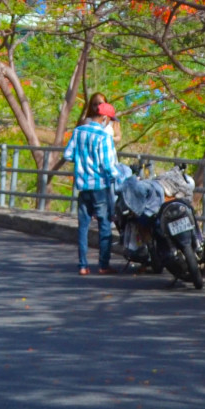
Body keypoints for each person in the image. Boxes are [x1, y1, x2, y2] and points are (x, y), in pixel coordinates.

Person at [63, 93, 119, 275]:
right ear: (104, 117)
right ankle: (103, 265)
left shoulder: (78, 131)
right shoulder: (104, 136)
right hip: (100, 187)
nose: (108, 123)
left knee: (83, 227)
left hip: (82, 186)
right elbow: (109, 165)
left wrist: (82, 161)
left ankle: (83, 265)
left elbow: (68, 155)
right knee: (104, 225)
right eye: (109, 120)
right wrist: (118, 177)